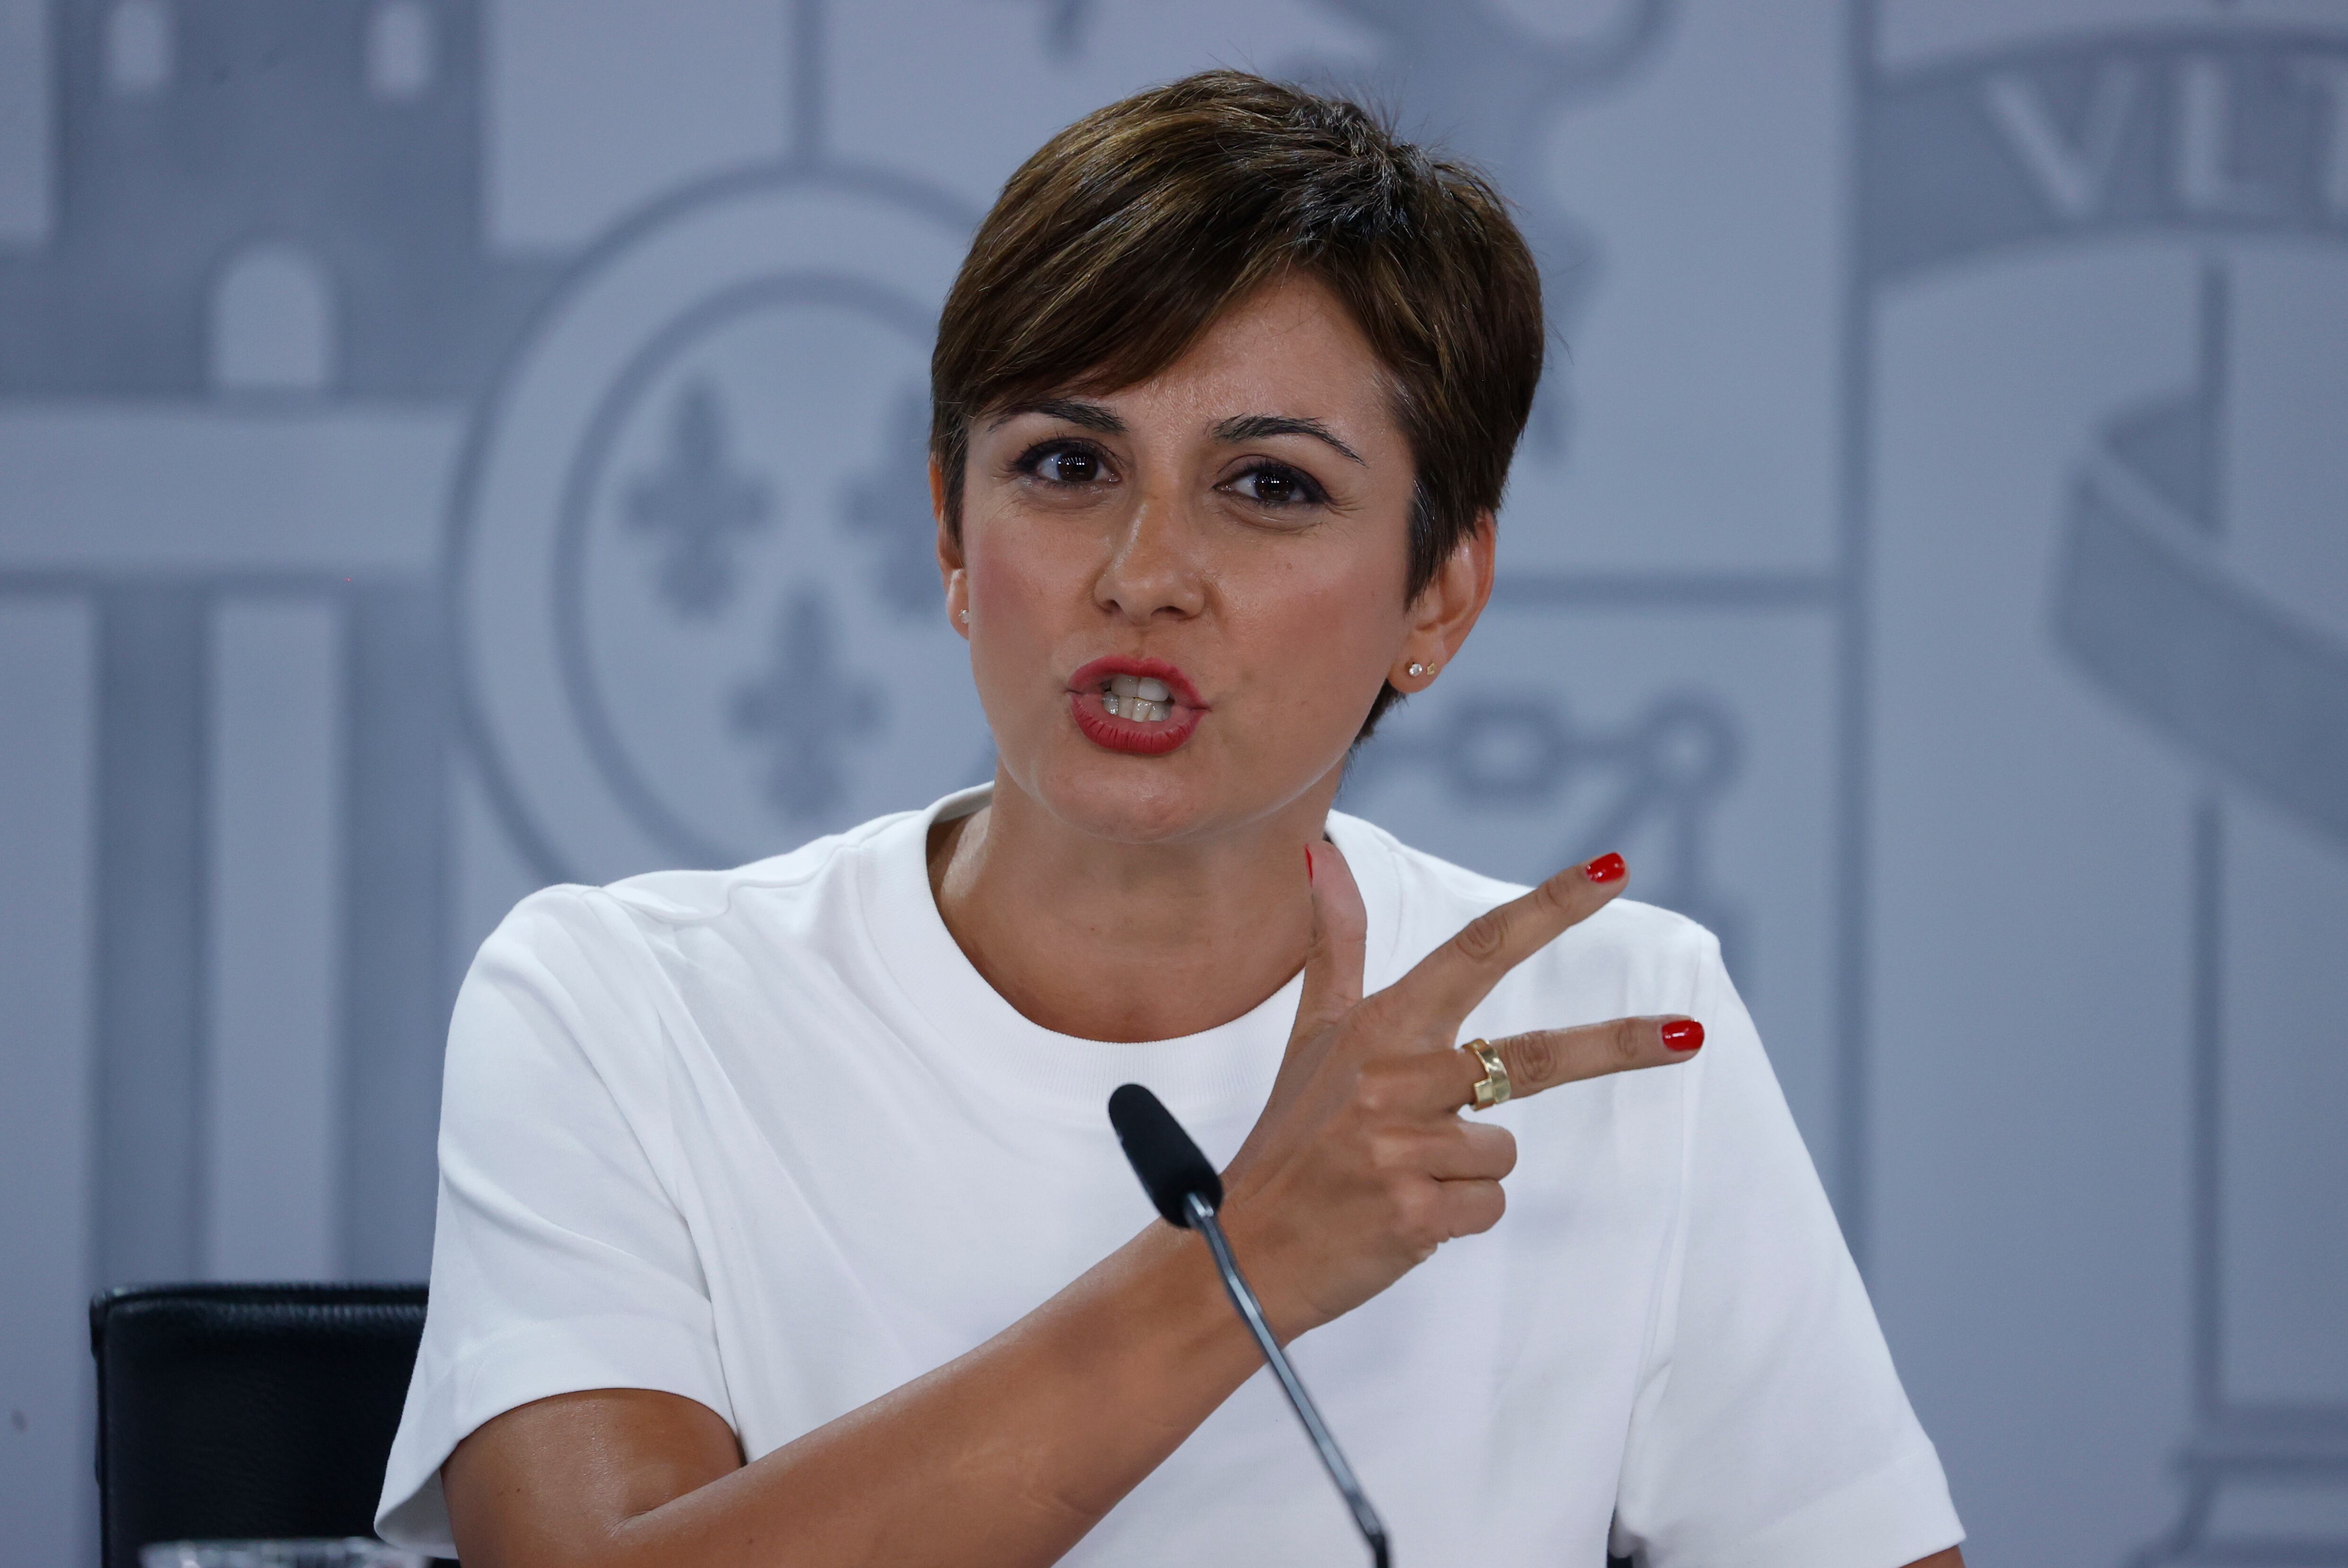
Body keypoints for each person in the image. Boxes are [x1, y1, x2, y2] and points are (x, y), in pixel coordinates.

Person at [377, 70, 1965, 1568]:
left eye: (1270, 486)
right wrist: (1250, 1254)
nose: (1145, 571)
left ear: (1440, 590)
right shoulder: (615, 1006)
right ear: (948, 525)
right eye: (1067, 463)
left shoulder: (1618, 1025)